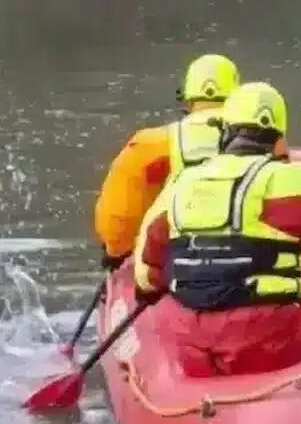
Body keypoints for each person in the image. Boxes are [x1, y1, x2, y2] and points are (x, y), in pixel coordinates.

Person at [132, 82, 301, 376]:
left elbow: (149, 272)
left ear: (225, 134)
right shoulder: (288, 179)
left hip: (190, 340)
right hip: (260, 338)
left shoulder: (181, 184)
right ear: (279, 140)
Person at [93, 54, 240, 270]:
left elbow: (117, 218)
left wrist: (117, 254)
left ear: (188, 100)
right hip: (243, 261)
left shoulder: (148, 148)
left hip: (173, 266)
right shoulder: (264, 144)